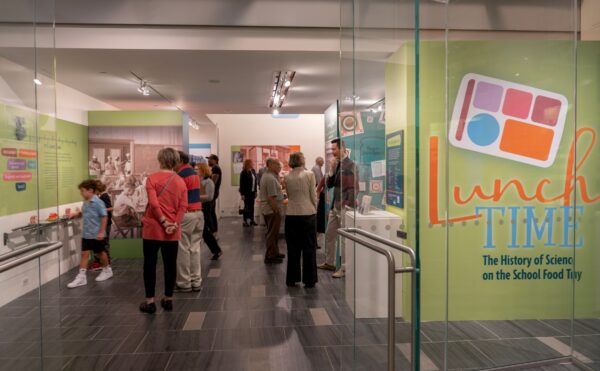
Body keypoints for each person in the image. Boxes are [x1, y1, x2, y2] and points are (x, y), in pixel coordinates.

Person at [139, 148, 187, 314]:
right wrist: (174, 224)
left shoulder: (151, 179)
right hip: (172, 230)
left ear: (160, 160)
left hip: (153, 227)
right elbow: (183, 207)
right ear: (175, 161)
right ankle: (168, 299)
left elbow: (153, 204)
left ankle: (150, 301)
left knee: (150, 264)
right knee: (170, 264)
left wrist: (162, 221)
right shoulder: (181, 181)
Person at [318, 138, 358, 278]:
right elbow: (329, 185)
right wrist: (331, 169)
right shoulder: (337, 164)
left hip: (344, 206)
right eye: (332, 149)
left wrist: (347, 205)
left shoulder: (351, 164)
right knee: (329, 234)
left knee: (345, 239)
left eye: (334, 149)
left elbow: (354, 188)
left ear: (343, 148)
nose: (332, 152)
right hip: (335, 206)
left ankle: (345, 269)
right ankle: (330, 262)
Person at [67, 179, 113, 288]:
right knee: (84, 254)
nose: (81, 193)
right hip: (86, 233)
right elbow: (84, 212)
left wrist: (102, 232)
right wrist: (76, 214)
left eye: (82, 191)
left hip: (96, 233)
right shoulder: (86, 202)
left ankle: (107, 270)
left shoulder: (98, 202)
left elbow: (104, 216)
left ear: (90, 190)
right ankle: (81, 277)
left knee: (100, 253)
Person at [284, 152, 318, 288]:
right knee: (309, 248)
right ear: (301, 160)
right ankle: (309, 280)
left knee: (293, 248)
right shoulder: (309, 174)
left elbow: (290, 194)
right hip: (308, 213)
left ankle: (292, 279)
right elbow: (313, 195)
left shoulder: (286, 176)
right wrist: (314, 208)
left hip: (291, 214)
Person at [174, 151, 203, 293]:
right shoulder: (193, 173)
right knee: (195, 249)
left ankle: (184, 282)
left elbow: (177, 198)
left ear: (179, 161)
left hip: (186, 215)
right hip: (198, 213)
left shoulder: (181, 175)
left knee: (183, 249)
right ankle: (196, 280)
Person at [259, 158, 286, 264]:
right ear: (270, 165)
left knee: (274, 233)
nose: (279, 167)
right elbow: (271, 198)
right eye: (277, 165)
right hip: (272, 211)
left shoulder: (270, 176)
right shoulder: (269, 178)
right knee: (272, 233)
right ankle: (270, 256)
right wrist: (277, 211)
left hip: (271, 210)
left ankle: (275, 252)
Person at [198, 163, 223, 260]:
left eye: (199, 169)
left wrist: (195, 198)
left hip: (206, 207)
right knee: (204, 231)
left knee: (205, 231)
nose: (197, 171)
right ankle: (216, 250)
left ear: (203, 170)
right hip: (202, 207)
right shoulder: (203, 181)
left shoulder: (208, 182)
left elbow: (209, 197)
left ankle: (216, 250)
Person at [90, 180, 113, 270]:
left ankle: (106, 263)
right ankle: (102, 263)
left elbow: (110, 208)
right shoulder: (102, 196)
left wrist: (99, 210)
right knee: (102, 243)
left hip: (105, 223)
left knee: (104, 244)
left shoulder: (104, 196)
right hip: (103, 223)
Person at [239, 159, 258, 227]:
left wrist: (255, 191)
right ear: (248, 164)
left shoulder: (253, 171)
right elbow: (241, 184)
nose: (253, 163)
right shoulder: (243, 172)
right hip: (246, 193)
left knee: (251, 207)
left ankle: (252, 220)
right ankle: (245, 221)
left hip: (252, 192)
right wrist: (242, 194)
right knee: (246, 207)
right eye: (252, 163)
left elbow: (255, 182)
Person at [313, 157, 326, 247]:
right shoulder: (316, 169)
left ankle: (315, 241)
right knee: (319, 218)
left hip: (319, 194)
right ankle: (314, 242)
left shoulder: (318, 169)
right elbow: (319, 183)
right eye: (322, 160)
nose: (324, 162)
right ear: (318, 161)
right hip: (319, 195)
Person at [207, 154, 222, 236]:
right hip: (213, 193)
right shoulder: (214, 168)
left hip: (212, 194)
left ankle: (213, 231)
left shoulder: (215, 168)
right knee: (211, 212)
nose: (208, 160)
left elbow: (212, 182)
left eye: (210, 159)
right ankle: (213, 231)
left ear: (215, 160)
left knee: (211, 212)